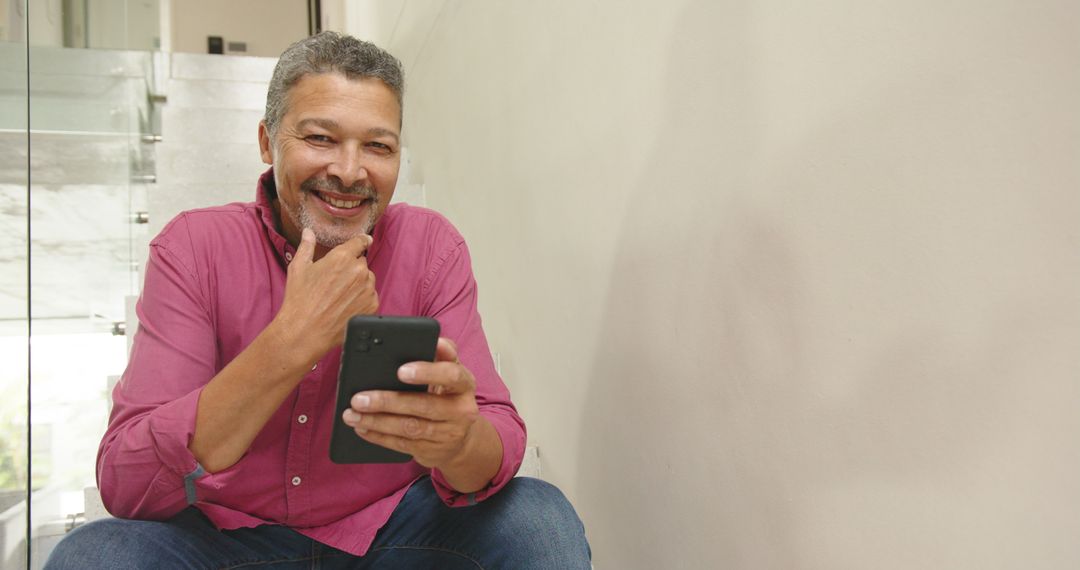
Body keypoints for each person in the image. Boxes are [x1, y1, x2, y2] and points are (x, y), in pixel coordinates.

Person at [46, 32, 590, 569]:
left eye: (378, 146)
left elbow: (497, 441)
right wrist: (291, 343)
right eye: (321, 138)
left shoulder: (430, 248)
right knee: (94, 556)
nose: (350, 172)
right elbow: (128, 482)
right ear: (266, 142)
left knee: (537, 520)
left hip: (392, 529)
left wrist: (457, 441)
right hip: (227, 539)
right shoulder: (194, 248)